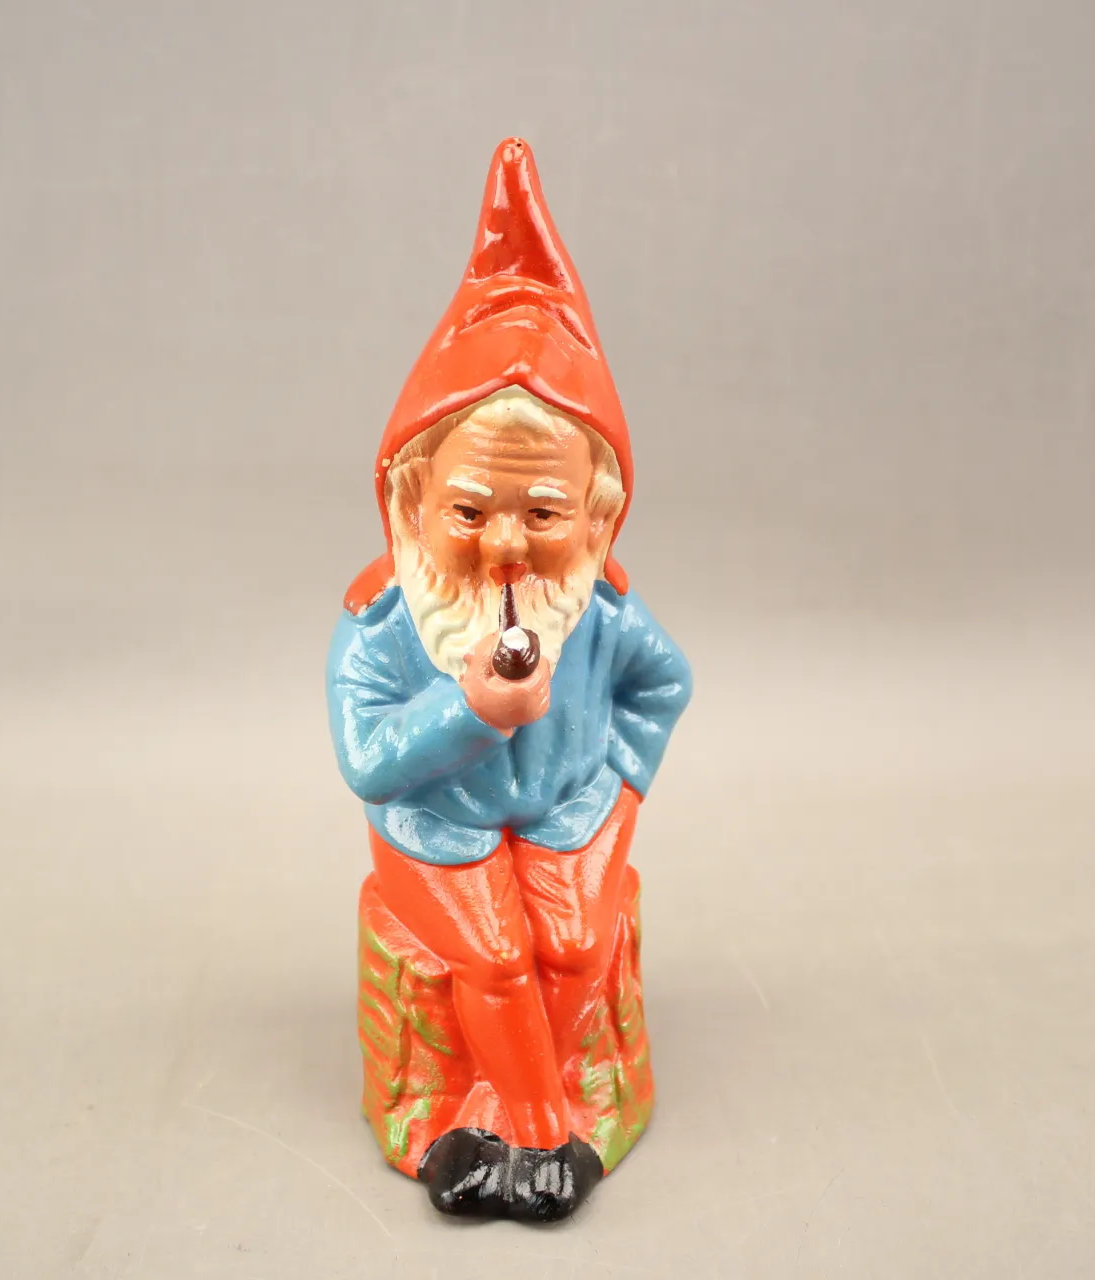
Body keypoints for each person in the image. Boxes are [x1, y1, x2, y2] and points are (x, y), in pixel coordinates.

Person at [327, 138, 692, 1222]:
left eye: (541, 512)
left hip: (571, 809)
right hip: (436, 825)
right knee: (490, 957)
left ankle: (516, 1103)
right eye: (470, 509)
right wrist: (468, 710)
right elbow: (367, 759)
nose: (503, 545)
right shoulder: (385, 619)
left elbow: (664, 685)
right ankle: (538, 1132)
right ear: (411, 499)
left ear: (596, 515)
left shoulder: (599, 609)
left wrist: (616, 789)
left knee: (576, 942)